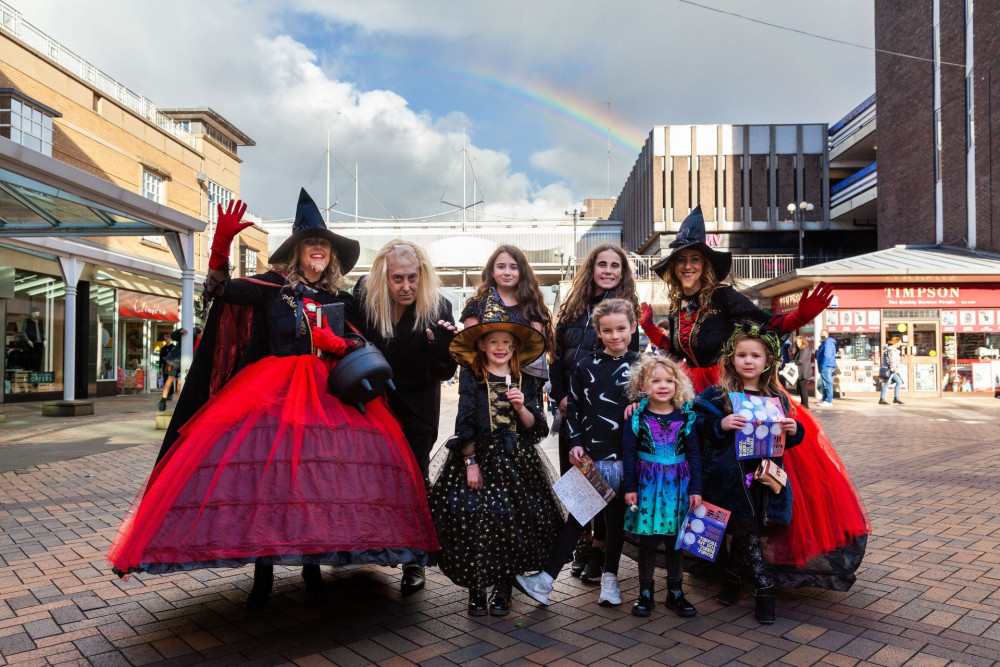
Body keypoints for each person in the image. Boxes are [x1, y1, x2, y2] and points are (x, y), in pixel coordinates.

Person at [107, 191, 438, 610]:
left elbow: (361, 339)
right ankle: (263, 571)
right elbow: (221, 293)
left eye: (325, 244)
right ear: (297, 252)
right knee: (268, 483)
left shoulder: (341, 298)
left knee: (318, 486)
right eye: (310, 243)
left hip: (329, 402)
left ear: (331, 254)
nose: (318, 250)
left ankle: (313, 566)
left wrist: (340, 341)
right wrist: (220, 249)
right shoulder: (268, 289)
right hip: (272, 398)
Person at [637, 206, 869, 590]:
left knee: (745, 472)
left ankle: (752, 558)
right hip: (697, 398)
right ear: (673, 268)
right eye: (682, 260)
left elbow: (765, 327)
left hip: (732, 392)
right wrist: (652, 331)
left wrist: (798, 318)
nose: (688, 266)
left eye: (695, 259)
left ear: (706, 264)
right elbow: (682, 352)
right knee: (704, 475)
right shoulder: (678, 308)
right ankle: (715, 556)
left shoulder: (724, 297)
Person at [429, 322, 561, 617]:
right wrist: (470, 463)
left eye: (507, 342)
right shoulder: (473, 378)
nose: (500, 347)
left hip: (518, 462)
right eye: (493, 342)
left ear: (515, 348)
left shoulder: (523, 379)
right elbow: (463, 423)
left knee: (512, 521)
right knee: (475, 519)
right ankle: (477, 588)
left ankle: (503, 589)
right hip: (480, 457)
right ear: (482, 346)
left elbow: (536, 428)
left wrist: (522, 407)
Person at [514, 298, 638, 608]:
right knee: (576, 518)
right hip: (592, 458)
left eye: (621, 328)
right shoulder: (585, 366)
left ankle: (610, 581)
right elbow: (575, 409)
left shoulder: (644, 366)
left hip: (627, 459)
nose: (615, 335)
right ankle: (545, 581)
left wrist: (644, 405)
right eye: (607, 330)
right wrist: (577, 441)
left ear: (632, 328)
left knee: (613, 521)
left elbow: (665, 403)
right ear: (598, 331)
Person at [354, 240, 458, 592]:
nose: (406, 286)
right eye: (398, 278)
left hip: (417, 409)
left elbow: (445, 373)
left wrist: (441, 349)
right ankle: (368, 545)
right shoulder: (366, 301)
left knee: (414, 481)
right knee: (371, 481)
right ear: (384, 276)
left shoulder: (438, 306)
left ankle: (415, 560)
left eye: (412, 277)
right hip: (375, 406)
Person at [694, 324, 805, 624]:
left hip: (762, 480)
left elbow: (786, 438)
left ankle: (733, 579)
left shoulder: (777, 397)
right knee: (734, 530)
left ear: (767, 361)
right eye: (741, 354)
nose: (748, 361)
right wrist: (720, 424)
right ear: (731, 359)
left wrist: (795, 431)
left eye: (755, 355)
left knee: (748, 530)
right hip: (727, 478)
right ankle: (763, 586)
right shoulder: (717, 395)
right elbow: (696, 423)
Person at [549, 244, 640, 580]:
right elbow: (556, 360)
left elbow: (635, 367)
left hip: (608, 420)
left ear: (622, 271)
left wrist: (633, 400)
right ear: (592, 268)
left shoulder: (629, 312)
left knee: (606, 486)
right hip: (574, 411)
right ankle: (583, 545)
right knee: (578, 481)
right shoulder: (573, 311)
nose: (607, 270)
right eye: (601, 264)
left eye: (615, 265)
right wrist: (561, 396)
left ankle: (600, 551)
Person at [622, 355, 702, 618]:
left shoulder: (685, 416)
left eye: (669, 380)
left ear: (678, 385)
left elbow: (694, 455)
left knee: (675, 541)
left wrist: (696, 490)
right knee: (647, 540)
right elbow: (629, 454)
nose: (663, 385)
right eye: (655, 380)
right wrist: (629, 488)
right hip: (647, 486)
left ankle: (675, 592)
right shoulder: (637, 417)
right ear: (642, 384)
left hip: (678, 486)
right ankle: (645, 592)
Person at [460, 245, 553, 379]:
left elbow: (536, 354)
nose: (507, 272)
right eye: (501, 266)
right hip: (485, 384)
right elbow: (471, 354)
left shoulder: (534, 308)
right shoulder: (476, 306)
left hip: (526, 386)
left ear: (522, 272)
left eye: (514, 267)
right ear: (492, 271)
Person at [156, 328, 186, 412]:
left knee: (180, 381)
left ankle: (180, 403)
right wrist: (179, 331)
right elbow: (174, 334)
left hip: (185, 361)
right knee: (170, 379)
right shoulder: (194, 333)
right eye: (166, 338)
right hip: (174, 361)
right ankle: (163, 401)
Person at [879, 337, 905, 405]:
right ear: (896, 342)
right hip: (890, 369)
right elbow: (891, 361)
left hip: (889, 369)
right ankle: (895, 398)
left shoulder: (891, 350)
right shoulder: (891, 351)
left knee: (887, 383)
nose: (900, 343)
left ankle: (882, 399)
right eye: (900, 342)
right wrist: (895, 369)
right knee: (899, 381)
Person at [816, 330, 837, 407]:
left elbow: (827, 355)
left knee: (827, 383)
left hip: (826, 366)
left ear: (827, 335)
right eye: (820, 334)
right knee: (825, 383)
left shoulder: (828, 343)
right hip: (826, 365)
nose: (821, 335)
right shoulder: (825, 342)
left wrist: (823, 365)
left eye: (823, 334)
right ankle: (825, 399)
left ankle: (828, 400)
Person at [793, 336, 812, 408]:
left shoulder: (805, 349)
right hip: (800, 372)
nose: (798, 343)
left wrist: (793, 362)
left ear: (803, 342)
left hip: (804, 372)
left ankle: (805, 405)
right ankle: (803, 404)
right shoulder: (799, 350)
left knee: (803, 389)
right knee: (801, 389)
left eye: (799, 342)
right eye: (797, 342)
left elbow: (801, 360)